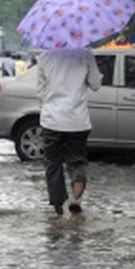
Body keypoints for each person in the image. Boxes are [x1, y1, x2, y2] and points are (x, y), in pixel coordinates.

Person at [36, 47, 103, 215]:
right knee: (77, 161)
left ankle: (58, 206)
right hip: (77, 121)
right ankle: (75, 200)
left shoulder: (45, 56)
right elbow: (96, 84)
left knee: (53, 163)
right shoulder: (85, 54)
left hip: (52, 120)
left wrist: (50, 104)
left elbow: (40, 92)